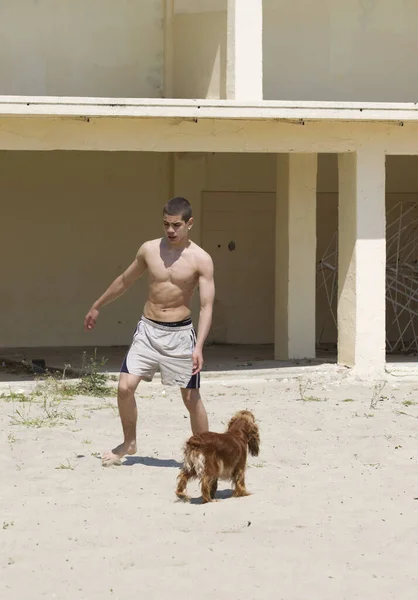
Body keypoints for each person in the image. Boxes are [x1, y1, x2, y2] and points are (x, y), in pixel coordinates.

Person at [84, 197, 215, 466]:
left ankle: (206, 453)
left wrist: (199, 345)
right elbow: (124, 281)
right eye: (166, 224)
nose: (170, 230)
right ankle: (129, 441)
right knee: (124, 387)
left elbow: (206, 305)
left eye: (176, 225)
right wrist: (97, 305)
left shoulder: (201, 259)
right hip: (148, 331)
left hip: (179, 335)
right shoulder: (149, 250)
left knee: (191, 398)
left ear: (189, 223)